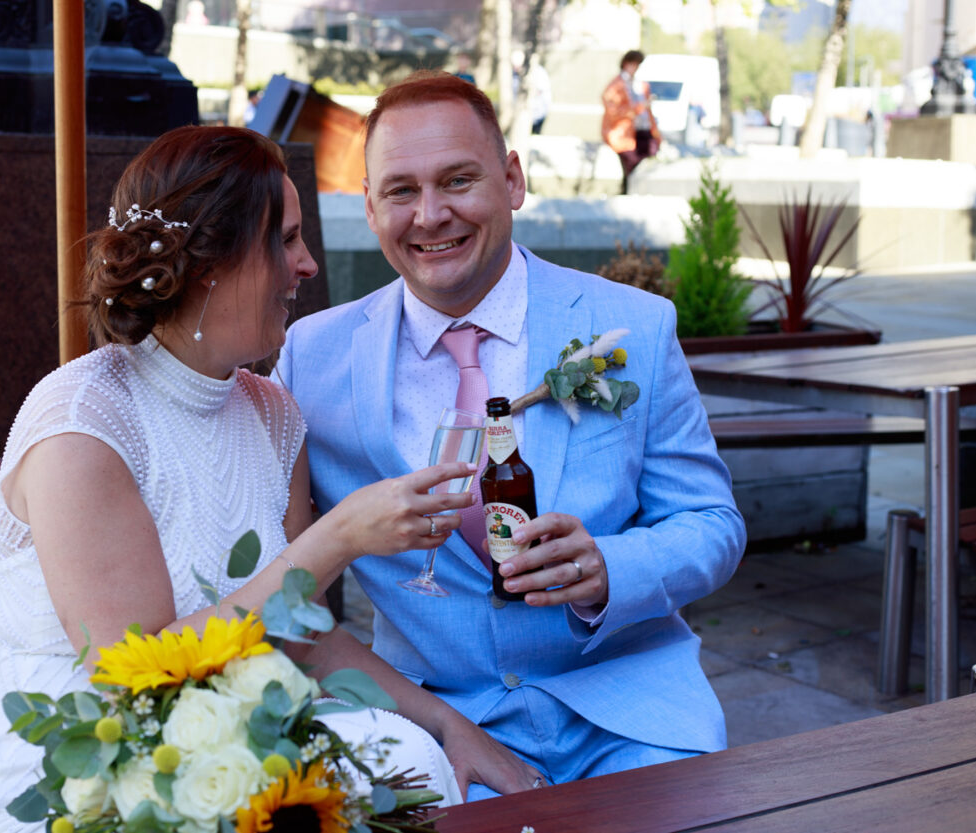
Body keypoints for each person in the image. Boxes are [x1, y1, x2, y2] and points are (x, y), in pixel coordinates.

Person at [0, 125, 537, 831]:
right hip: (94, 766)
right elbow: (141, 676)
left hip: (241, 732)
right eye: (286, 239)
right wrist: (340, 536)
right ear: (212, 263)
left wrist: (450, 725)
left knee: (414, 759)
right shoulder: (85, 424)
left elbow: (300, 637)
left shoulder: (272, 414)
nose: (308, 263)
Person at [273, 71, 745, 800]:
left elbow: (713, 524)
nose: (431, 215)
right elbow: (291, 583)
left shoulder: (633, 328)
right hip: (438, 725)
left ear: (513, 179)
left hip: (630, 712)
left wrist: (609, 568)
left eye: (458, 180)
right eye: (401, 190)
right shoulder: (312, 357)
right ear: (369, 207)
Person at [602, 50, 660, 193]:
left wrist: (656, 130)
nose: (635, 68)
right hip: (623, 134)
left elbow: (647, 111)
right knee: (630, 164)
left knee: (650, 155)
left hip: (642, 130)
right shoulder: (617, 86)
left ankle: (632, 192)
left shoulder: (640, 85)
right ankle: (626, 192)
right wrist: (638, 108)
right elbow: (613, 111)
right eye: (633, 64)